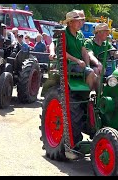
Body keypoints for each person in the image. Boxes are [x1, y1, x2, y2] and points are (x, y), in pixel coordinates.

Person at [48, 10, 97, 149]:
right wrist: (77, 61)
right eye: (78, 20)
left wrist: (87, 64)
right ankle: (89, 97)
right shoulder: (63, 33)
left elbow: (83, 51)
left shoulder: (80, 34)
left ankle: (92, 100)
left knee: (96, 74)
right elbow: (60, 49)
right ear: (70, 22)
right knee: (90, 73)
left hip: (79, 65)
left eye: (82, 20)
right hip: (68, 65)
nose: (81, 23)